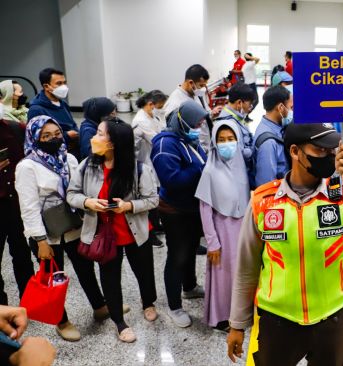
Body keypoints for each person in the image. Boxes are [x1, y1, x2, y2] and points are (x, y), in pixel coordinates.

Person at [226, 123, 343, 365]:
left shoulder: (342, 194)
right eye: (320, 150)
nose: (329, 156)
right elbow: (246, 268)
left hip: (333, 316)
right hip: (277, 318)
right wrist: (237, 324)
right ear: (294, 152)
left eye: (332, 150)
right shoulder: (264, 201)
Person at [16, 116, 113, 342]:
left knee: (85, 268)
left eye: (57, 134)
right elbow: (28, 208)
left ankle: (99, 306)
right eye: (46, 136)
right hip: (46, 235)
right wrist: (40, 241)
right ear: (34, 138)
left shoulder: (67, 157)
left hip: (73, 226)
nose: (53, 139)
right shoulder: (27, 166)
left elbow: (78, 189)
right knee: (53, 278)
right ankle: (62, 321)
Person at [67, 117, 159, 343]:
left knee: (145, 272)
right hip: (105, 236)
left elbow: (153, 199)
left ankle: (148, 302)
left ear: (113, 143)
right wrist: (88, 202)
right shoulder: (87, 166)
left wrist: (128, 206)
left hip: (136, 231)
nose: (93, 138)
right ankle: (119, 321)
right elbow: (71, 194)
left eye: (99, 134)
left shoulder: (138, 170)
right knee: (109, 278)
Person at [151, 101, 209, 328]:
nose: (199, 127)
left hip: (192, 206)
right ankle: (174, 306)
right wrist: (198, 170)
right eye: (196, 123)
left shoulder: (188, 139)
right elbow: (171, 180)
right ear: (182, 122)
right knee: (177, 255)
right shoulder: (166, 144)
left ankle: (190, 287)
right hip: (175, 210)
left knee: (191, 248)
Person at [196, 118, 250, 332]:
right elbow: (205, 209)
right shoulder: (210, 171)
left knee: (241, 275)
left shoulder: (241, 166)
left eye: (231, 139)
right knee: (223, 276)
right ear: (214, 143)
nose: (227, 144)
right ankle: (221, 318)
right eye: (221, 139)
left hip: (242, 230)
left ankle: (239, 315)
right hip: (222, 232)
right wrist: (212, 243)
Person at [0, 117, 34, 306]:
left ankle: (29, 300)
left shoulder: (15, 128)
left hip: (16, 202)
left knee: (22, 254)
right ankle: (2, 311)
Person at [132, 90, 168, 249]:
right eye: (159, 106)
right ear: (150, 104)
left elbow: (162, 130)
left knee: (155, 193)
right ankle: (150, 233)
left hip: (153, 160)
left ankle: (156, 224)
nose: (160, 109)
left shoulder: (152, 116)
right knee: (149, 194)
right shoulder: (141, 120)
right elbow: (157, 139)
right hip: (143, 163)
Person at [164, 64, 221, 152]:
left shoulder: (196, 94)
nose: (203, 89)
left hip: (205, 146)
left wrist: (211, 114)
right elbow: (174, 132)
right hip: (192, 149)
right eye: (201, 85)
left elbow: (202, 115)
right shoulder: (175, 103)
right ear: (191, 83)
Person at [27, 68, 79, 157]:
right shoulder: (36, 110)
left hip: (72, 153)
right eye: (59, 83)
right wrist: (67, 136)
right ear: (46, 86)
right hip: (52, 156)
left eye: (64, 83)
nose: (64, 87)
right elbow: (37, 139)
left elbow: (72, 125)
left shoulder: (63, 104)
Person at [216, 83, 257, 186]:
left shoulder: (238, 117)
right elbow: (238, 155)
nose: (250, 107)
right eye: (249, 104)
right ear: (239, 103)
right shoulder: (229, 124)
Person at [253, 85, 292, 188]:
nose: (291, 112)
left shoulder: (277, 128)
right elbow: (266, 185)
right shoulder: (268, 143)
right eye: (290, 107)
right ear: (280, 107)